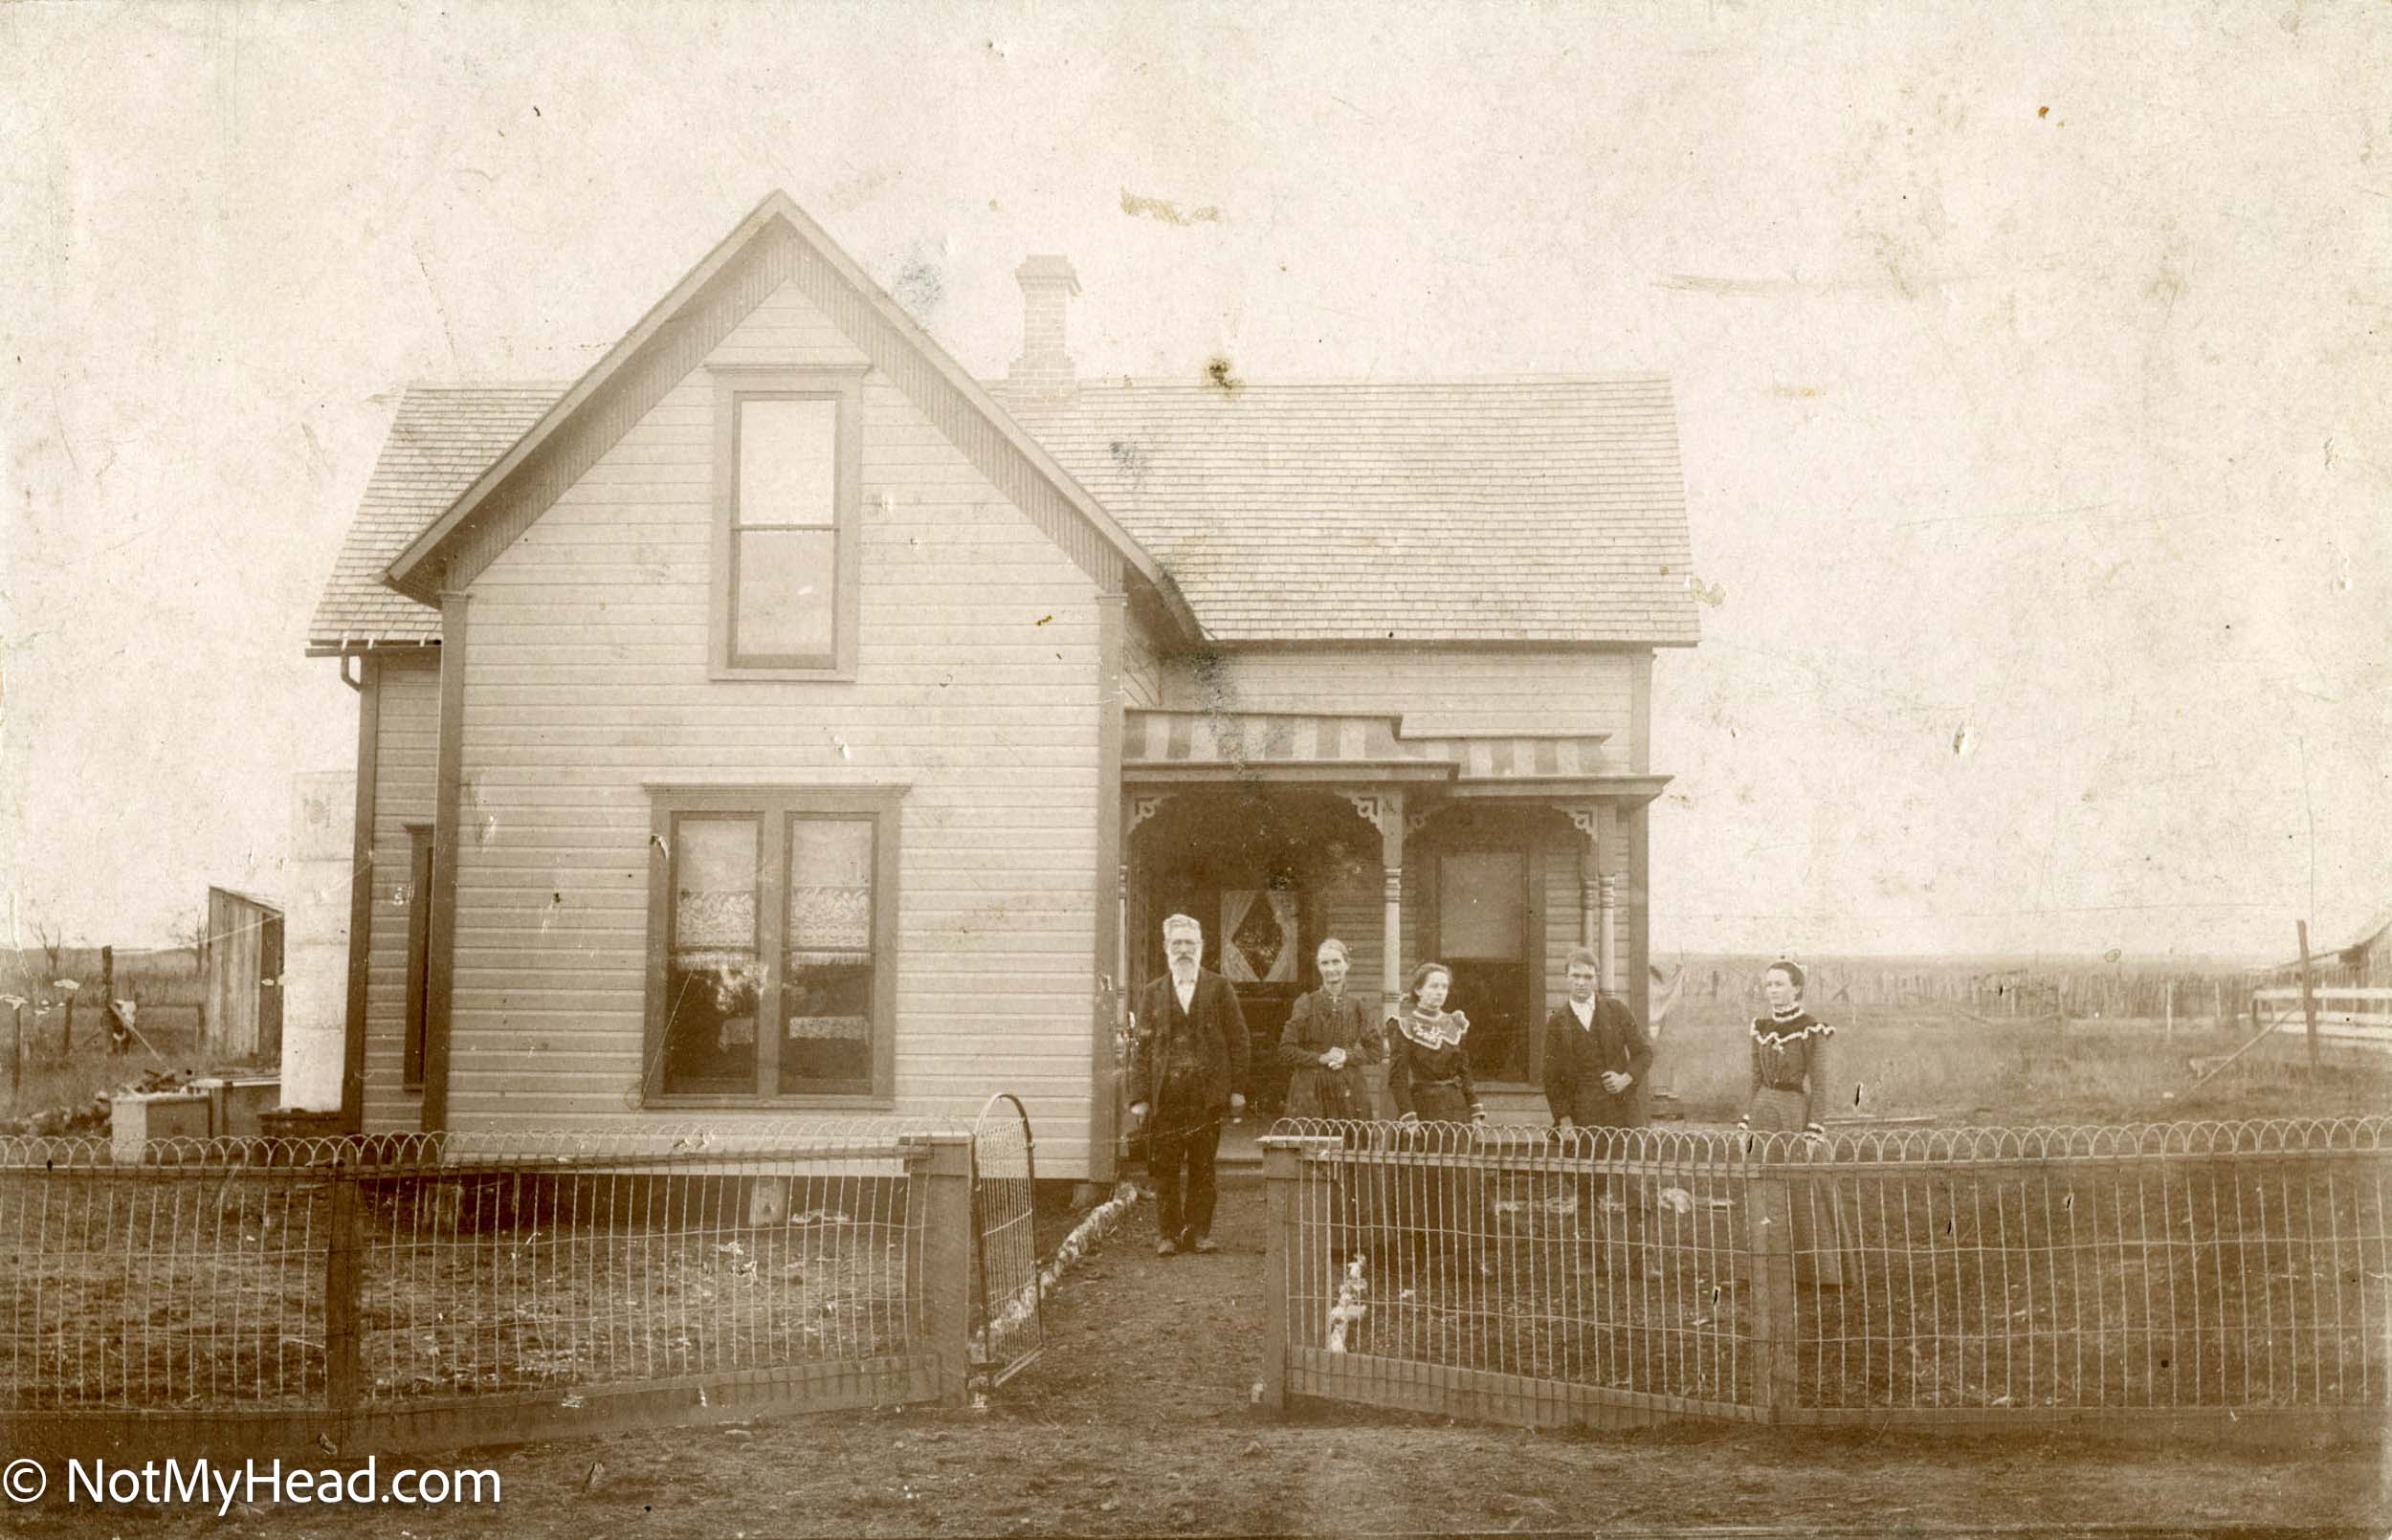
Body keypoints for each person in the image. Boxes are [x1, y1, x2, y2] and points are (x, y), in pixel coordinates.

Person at [1128, 913, 1250, 1256]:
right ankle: (1168, 1234)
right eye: (1177, 943)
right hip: (1165, 1096)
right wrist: (1140, 1098)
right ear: (1167, 948)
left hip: (1205, 1097)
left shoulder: (1219, 987)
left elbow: (1239, 1040)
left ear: (1202, 948)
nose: (1184, 950)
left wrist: (1237, 1089)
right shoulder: (1153, 992)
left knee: (1203, 1167)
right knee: (1164, 1167)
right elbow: (1143, 1047)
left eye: (1190, 944)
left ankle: (1198, 1233)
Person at [1541, 947, 1655, 1269]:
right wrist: (1564, 1119)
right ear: (1566, 978)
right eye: (1575, 976)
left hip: (1622, 1111)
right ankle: (1593, 1259)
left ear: (1597, 978)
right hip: (1582, 1114)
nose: (1581, 982)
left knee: (1634, 1182)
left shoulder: (1616, 1011)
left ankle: (1642, 1259)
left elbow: (1644, 1053)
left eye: (1588, 976)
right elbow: (1550, 1078)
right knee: (1587, 1187)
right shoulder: (1557, 1022)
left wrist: (1626, 1078)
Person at [1739, 958, 1844, 1287]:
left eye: (1780, 984)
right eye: (1769, 984)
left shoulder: (1812, 1028)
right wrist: (1745, 1122)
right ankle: (1764, 1269)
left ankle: (1810, 1272)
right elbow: (1754, 1079)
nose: (1773, 990)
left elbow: (1821, 1084)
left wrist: (1814, 1129)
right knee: (1762, 1187)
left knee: (1800, 1187)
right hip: (1763, 1113)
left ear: (1796, 988)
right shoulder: (1760, 1028)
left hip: (1794, 1112)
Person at [1277, 939, 1379, 1120]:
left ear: (1347, 964)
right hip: (1311, 1088)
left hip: (1348, 1087)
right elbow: (1286, 1050)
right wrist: (1321, 1058)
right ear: (1318, 967)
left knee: (1349, 1143)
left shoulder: (1358, 1006)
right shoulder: (1305, 1003)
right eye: (1325, 963)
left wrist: (1347, 1057)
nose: (1331, 969)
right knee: (1313, 1143)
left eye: (1336, 962)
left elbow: (1376, 1051)